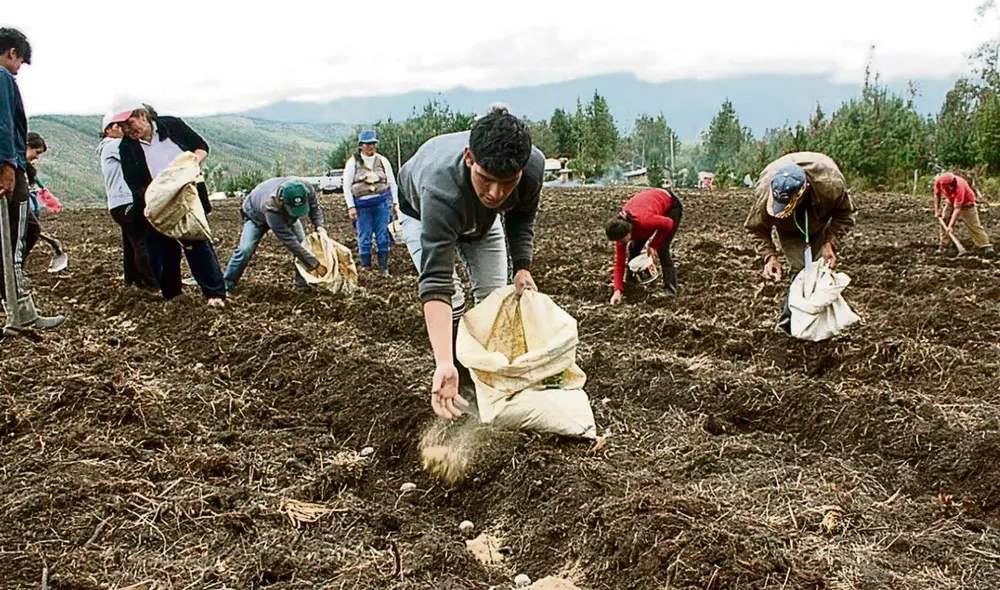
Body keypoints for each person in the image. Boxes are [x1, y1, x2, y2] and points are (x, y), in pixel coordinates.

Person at [397, 104, 544, 419]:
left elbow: (521, 218)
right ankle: (458, 375)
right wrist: (443, 363)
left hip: (481, 221)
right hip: (422, 215)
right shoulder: (439, 187)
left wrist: (522, 266)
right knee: (456, 298)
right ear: (469, 158)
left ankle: (486, 376)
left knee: (494, 298)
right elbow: (435, 281)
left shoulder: (531, 167)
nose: (496, 193)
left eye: (508, 182)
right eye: (487, 179)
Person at [113, 103, 226, 307]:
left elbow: (201, 147)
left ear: (142, 116)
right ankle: (173, 297)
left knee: (197, 244)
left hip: (187, 198)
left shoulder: (172, 126)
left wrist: (191, 164)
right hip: (156, 201)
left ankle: (214, 294)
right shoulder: (127, 147)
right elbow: (134, 183)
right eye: (122, 126)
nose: (127, 130)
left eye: (129, 123)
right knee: (162, 251)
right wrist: (159, 195)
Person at [745, 152, 855, 331]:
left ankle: (824, 325)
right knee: (800, 270)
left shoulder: (830, 187)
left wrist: (830, 243)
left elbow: (845, 215)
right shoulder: (766, 194)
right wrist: (769, 257)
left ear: (804, 193)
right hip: (788, 228)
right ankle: (791, 325)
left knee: (820, 268)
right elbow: (755, 228)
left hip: (819, 217)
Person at [0, 27, 63, 331]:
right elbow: (5, 125)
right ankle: (19, 312)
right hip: (8, 171)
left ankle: (13, 303)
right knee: (13, 242)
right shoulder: (2, 77)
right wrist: (9, 167)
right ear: (12, 53)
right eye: (21, 61)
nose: (19, 68)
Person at [223, 177, 328, 290]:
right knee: (245, 249)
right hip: (255, 216)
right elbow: (291, 242)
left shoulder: (306, 188)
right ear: (282, 200)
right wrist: (316, 265)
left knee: (303, 244)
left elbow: (315, 208)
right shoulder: (270, 206)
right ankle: (226, 284)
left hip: (282, 213)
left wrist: (320, 227)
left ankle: (302, 284)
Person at [98, 113, 156, 289]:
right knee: (142, 241)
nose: (122, 128)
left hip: (118, 202)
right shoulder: (115, 145)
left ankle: (132, 280)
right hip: (126, 200)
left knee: (131, 243)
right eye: (118, 126)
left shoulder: (106, 147)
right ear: (108, 130)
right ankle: (152, 282)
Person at [604, 187, 683, 304]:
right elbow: (619, 263)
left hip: (670, 204)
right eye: (618, 241)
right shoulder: (620, 230)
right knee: (633, 249)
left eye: (622, 240)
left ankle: (670, 289)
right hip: (649, 206)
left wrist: (653, 244)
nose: (620, 243)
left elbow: (668, 223)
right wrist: (617, 290)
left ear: (628, 231)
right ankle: (630, 285)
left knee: (662, 248)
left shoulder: (644, 221)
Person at [343, 130, 398, 276]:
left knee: (382, 235)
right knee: (365, 237)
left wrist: (395, 202)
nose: (371, 147)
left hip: (381, 204)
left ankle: (383, 268)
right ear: (361, 146)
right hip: (362, 207)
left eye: (373, 144)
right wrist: (351, 206)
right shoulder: (353, 162)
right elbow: (346, 186)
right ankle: (366, 268)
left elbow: (392, 182)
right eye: (367, 144)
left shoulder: (382, 161)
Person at [23, 132, 69, 272]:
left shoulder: (27, 169)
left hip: (28, 210)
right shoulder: (13, 167)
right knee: (31, 232)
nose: (37, 157)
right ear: (27, 146)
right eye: (36, 152)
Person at [934, 172, 994, 256]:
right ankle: (944, 245)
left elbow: (957, 209)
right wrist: (937, 210)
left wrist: (951, 226)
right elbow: (937, 195)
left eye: (946, 187)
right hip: (950, 202)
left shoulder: (959, 186)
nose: (943, 188)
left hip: (967, 203)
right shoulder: (939, 182)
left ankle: (985, 245)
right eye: (942, 186)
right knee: (945, 220)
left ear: (951, 185)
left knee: (973, 224)